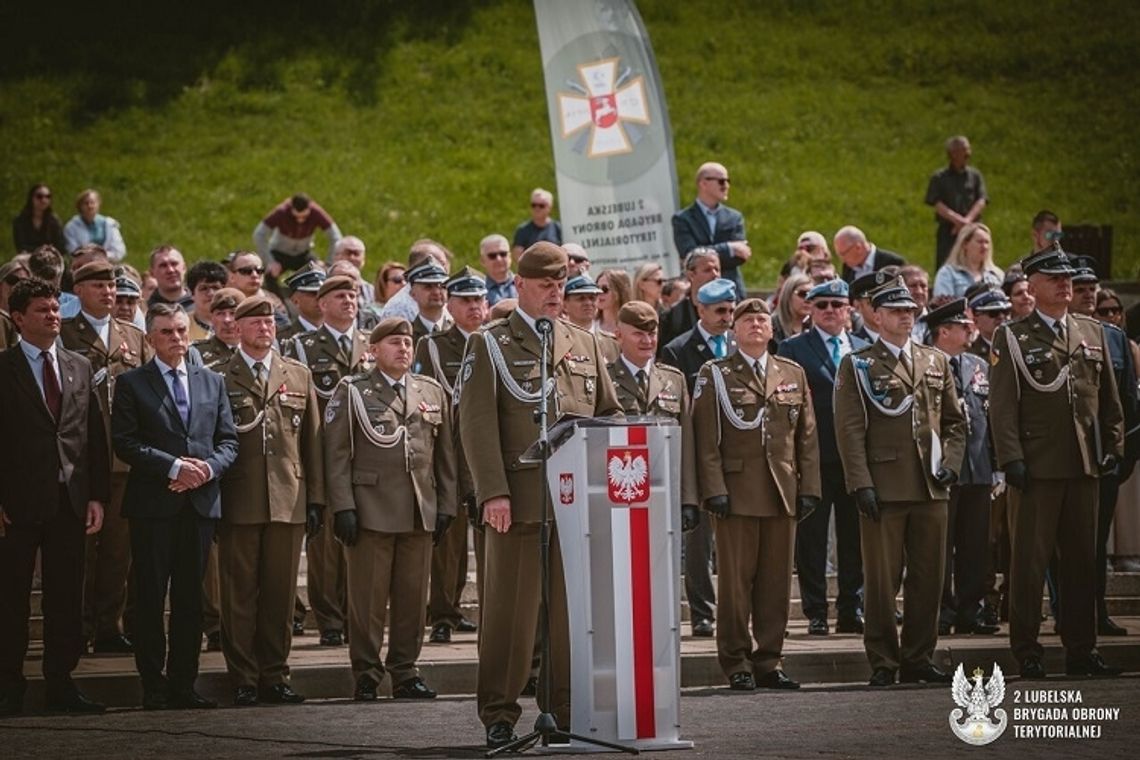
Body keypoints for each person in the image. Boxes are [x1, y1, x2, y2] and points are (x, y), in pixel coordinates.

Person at [458, 242, 621, 749]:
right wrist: (492, 493)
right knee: (510, 614)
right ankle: (500, 714)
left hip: (574, 504)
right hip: (519, 502)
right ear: (520, 286)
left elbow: (609, 414)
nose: (556, 293)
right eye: (546, 285)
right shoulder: (490, 344)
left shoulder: (585, 343)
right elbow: (477, 425)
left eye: (561, 284)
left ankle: (564, 711)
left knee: (569, 617)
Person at [989, 246, 1124, 679]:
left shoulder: (1091, 332)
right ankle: (1027, 650)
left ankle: (1082, 649)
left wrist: (1113, 446)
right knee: (1029, 564)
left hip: (1083, 465)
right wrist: (1011, 458)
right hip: (1036, 468)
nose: (1066, 284)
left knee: (1083, 564)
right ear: (1033, 285)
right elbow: (1003, 406)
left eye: (1069, 277)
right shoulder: (1012, 336)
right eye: (1055, 277)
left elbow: (1110, 403)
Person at [834, 280, 966, 686]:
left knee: (929, 578)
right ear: (876, 315)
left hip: (930, 486)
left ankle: (919, 657)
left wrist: (952, 464)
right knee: (880, 582)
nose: (905, 316)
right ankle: (883, 661)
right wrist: (861, 484)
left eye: (910, 309)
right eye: (895, 310)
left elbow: (955, 422)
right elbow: (850, 430)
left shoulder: (934, 361)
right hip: (885, 487)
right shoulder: (857, 364)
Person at [111, 303, 239, 710]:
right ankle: (154, 686)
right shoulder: (133, 382)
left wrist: (207, 470)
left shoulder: (212, 381)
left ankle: (184, 684)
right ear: (150, 338)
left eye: (182, 331)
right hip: (154, 504)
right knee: (149, 599)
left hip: (199, 505)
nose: (177, 339)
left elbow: (229, 440)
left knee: (190, 601)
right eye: (167, 332)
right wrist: (174, 466)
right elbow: (125, 441)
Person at [326, 317, 457, 701]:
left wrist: (446, 504)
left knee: (412, 600)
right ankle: (366, 673)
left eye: (407, 342)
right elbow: (335, 455)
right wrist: (342, 507)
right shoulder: (352, 390)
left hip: (419, 509)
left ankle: (405, 671)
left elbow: (444, 456)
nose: (403, 348)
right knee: (367, 601)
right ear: (374, 349)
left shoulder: (429, 391)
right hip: (371, 509)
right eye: (394, 342)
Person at [692, 298, 820, 691]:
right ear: (734, 330)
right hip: (736, 493)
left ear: (772, 329)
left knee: (776, 584)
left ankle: (769, 659)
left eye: (762, 320)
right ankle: (736, 662)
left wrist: (810, 487)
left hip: (781, 492)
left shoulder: (791, 373)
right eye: (746, 320)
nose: (755, 326)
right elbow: (705, 440)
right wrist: (713, 489)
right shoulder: (715, 374)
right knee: (734, 585)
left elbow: (807, 438)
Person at [0, 278, 110, 716]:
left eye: (55, 308)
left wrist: (97, 496)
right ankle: (9, 687)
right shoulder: (3, 368)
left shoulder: (78, 366)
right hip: (16, 505)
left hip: (70, 501)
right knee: (10, 599)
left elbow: (93, 437)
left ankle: (61, 683)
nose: (52, 316)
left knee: (66, 599)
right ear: (18, 317)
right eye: (42, 310)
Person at [215, 296, 323, 707]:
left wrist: (317, 500)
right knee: (239, 593)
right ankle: (243, 676)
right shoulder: (220, 376)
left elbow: (311, 442)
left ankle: (275, 675)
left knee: (279, 596)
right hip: (239, 499)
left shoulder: (297, 374)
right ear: (237, 327)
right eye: (256, 321)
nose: (265, 327)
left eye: (270, 321)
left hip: (288, 499)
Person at [60, 261, 150, 654]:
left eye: (112, 285)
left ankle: (108, 626)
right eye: (98, 285)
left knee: (117, 551)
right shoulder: (63, 333)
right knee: (79, 550)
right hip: (80, 458)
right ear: (78, 290)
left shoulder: (133, 336)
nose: (108, 292)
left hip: (124, 460)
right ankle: (76, 626)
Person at [282, 275, 375, 647]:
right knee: (325, 547)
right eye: (339, 296)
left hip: (368, 455)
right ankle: (329, 619)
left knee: (363, 541)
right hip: (322, 455)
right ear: (321, 304)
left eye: (353, 295)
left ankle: (357, 618)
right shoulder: (301, 346)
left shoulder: (370, 343)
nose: (349, 301)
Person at [778, 279, 867, 636]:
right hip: (814, 458)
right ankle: (815, 610)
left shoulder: (864, 347)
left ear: (849, 309)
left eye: (836, 304)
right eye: (822, 304)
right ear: (810, 310)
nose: (830, 310)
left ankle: (851, 607)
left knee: (855, 537)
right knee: (812, 538)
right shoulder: (792, 347)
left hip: (855, 459)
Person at [660, 278, 738, 639]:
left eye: (731, 310)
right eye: (720, 310)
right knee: (699, 543)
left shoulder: (741, 346)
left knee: (738, 542)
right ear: (700, 310)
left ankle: (739, 611)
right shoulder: (679, 350)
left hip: (740, 457)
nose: (727, 317)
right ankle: (703, 612)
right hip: (698, 455)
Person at [415, 267, 487, 644]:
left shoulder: (493, 342)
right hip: (452, 450)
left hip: (487, 449)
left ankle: (478, 608)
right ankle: (443, 612)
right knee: (451, 540)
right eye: (466, 301)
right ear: (452, 304)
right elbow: (432, 398)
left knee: (488, 536)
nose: (474, 307)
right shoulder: (434, 346)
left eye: (479, 299)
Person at [1068, 258, 1139, 637]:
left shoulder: (1113, 338)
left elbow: (1127, 402)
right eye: (1080, 287)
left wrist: (1123, 454)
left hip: (1105, 460)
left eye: (1092, 287)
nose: (1088, 294)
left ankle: (1096, 612)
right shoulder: (1059, 334)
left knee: (1096, 544)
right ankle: (1067, 613)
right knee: (1062, 546)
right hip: (1066, 458)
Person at [921, 299, 1000, 636]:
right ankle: (941, 610)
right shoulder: (925, 363)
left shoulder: (978, 364)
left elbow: (992, 415)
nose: (970, 330)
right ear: (943, 331)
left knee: (975, 545)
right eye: (962, 326)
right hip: (942, 470)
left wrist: (997, 466)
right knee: (940, 545)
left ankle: (972, 609)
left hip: (978, 467)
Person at [606, 301, 697, 513]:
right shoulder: (604, 379)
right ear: (618, 335)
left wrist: (688, 499)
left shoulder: (673, 379)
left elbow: (686, 443)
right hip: (619, 490)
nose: (647, 341)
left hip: (664, 488)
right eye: (638, 334)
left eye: (652, 334)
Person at [672, 162, 751, 299]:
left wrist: (702, 257)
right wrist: (729, 248)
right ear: (703, 183)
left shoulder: (734, 217)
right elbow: (689, 255)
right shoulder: (682, 219)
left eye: (728, 181)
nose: (726, 185)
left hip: (731, 292)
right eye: (721, 181)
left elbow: (740, 256)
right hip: (698, 294)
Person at [252, 193, 343, 295]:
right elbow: (259, 234)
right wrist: (269, 261)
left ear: (309, 209)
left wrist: (328, 263)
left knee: (320, 273)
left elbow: (336, 237)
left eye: (304, 217)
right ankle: (275, 300)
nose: (300, 220)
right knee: (268, 276)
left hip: (303, 254)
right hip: (279, 253)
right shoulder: (281, 212)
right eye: (296, 217)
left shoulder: (316, 213)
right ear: (291, 209)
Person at [925, 136, 988, 269]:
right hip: (949, 231)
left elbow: (981, 200)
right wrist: (957, 221)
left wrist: (966, 223)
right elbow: (936, 203)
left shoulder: (975, 176)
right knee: (946, 265)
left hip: (973, 231)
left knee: (976, 264)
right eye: (964, 150)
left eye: (968, 149)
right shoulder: (939, 178)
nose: (968, 153)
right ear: (952, 154)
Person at [659, 247, 721, 350]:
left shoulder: (731, 312)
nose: (715, 274)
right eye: (707, 270)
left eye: (717, 269)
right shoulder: (672, 316)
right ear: (691, 275)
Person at [932, 223, 1003, 299]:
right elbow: (943, 304)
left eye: (987, 242)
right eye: (980, 242)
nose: (984, 246)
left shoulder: (997, 274)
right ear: (965, 244)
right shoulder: (948, 273)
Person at [562, 273, 620, 362]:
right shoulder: (560, 341)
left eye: (592, 298)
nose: (588, 303)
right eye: (581, 299)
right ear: (565, 305)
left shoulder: (612, 344)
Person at [63, 189, 126, 262]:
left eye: (92, 203)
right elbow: (72, 250)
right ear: (80, 206)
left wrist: (101, 257)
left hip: (107, 264)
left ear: (98, 204)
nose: (90, 206)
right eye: (86, 203)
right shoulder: (71, 227)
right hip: (81, 267)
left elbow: (119, 251)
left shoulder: (110, 224)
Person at [835, 226, 905, 284]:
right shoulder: (848, 268)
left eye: (843, 254)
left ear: (858, 248)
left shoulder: (893, 262)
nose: (842, 260)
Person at [27, 245, 81, 319]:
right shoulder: (23, 306)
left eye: (51, 276)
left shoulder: (76, 304)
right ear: (31, 275)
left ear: (61, 273)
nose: (46, 283)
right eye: (43, 276)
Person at [406, 259, 453, 341]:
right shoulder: (407, 334)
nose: (436, 292)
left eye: (441, 286)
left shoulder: (460, 330)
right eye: (428, 287)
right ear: (413, 294)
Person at [13, 183, 67, 254]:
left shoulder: (54, 221)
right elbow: (20, 245)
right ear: (31, 198)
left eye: (48, 197)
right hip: (27, 256)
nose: (44, 200)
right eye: (39, 196)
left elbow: (61, 246)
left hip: (50, 257)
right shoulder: (20, 220)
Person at [278, 263, 327, 341]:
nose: (320, 298)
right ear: (295, 301)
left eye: (323, 293)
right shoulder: (282, 339)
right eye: (313, 293)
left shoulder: (340, 333)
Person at [185, 261, 229, 342]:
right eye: (204, 288)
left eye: (215, 287)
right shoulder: (182, 326)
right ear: (192, 294)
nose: (211, 293)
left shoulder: (237, 324)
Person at [511, 188, 562, 257]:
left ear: (549, 207)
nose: (537, 208)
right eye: (534, 205)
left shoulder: (558, 228)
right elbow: (518, 256)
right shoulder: (522, 230)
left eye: (541, 206)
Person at [770, 273, 811, 346]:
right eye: (802, 294)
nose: (807, 300)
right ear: (788, 295)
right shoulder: (771, 326)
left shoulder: (819, 327)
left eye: (811, 295)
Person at [332, 237, 373, 307]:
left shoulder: (371, 291)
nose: (352, 257)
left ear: (363, 259)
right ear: (336, 256)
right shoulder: (323, 287)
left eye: (356, 254)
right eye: (348, 253)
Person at [148, 246, 193, 310]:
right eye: (163, 265)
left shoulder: (202, 305)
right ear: (152, 273)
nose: (170, 270)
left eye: (174, 264)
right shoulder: (145, 309)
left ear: (184, 268)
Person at [479, 234, 517, 306]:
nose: (498, 259)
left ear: (510, 257)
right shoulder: (478, 290)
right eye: (492, 256)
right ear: (482, 261)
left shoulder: (525, 285)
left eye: (503, 254)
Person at [594, 268, 631, 336]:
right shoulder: (590, 325)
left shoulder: (632, 326)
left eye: (605, 289)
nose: (599, 292)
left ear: (620, 291)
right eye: (596, 288)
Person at [901, 265, 932, 343]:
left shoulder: (938, 322)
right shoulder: (889, 320)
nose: (919, 291)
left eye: (923, 286)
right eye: (913, 286)